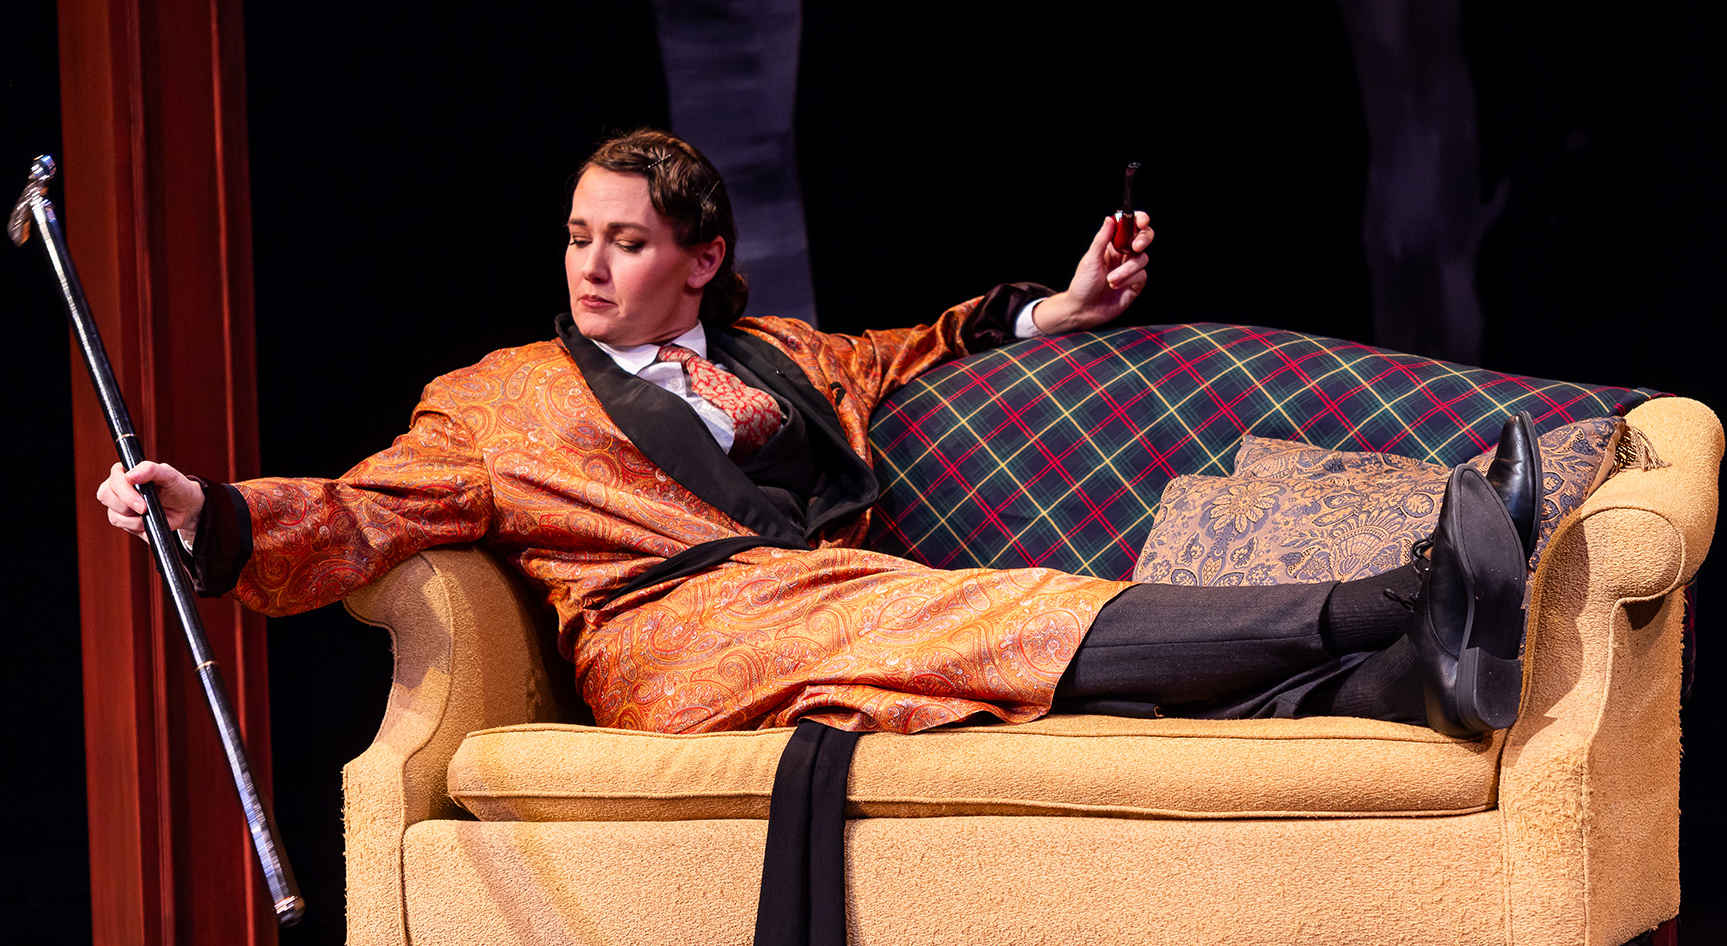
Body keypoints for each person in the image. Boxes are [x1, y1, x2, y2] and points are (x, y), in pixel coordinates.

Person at [97, 129, 1538, 741]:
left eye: (625, 242)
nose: (590, 266)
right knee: (990, 612)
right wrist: (207, 510)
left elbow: (915, 346)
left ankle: (1408, 676)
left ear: (701, 260)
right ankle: (1409, 590)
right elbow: (360, 510)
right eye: (578, 238)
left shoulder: (779, 356)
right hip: (676, 639)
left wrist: (1062, 308)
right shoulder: (500, 398)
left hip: (827, 603)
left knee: (990, 638)